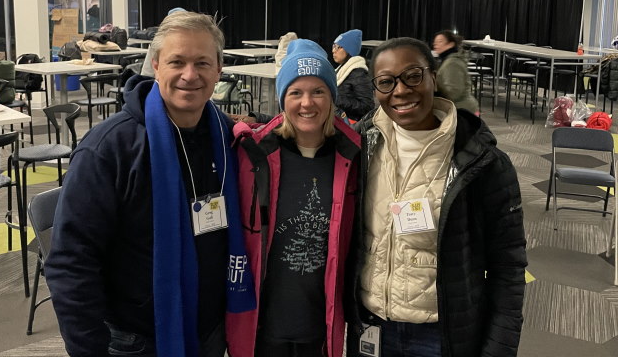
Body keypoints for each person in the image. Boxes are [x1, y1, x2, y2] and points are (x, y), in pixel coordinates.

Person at [44, 11, 256, 357]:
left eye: (202, 62)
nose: (190, 75)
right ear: (155, 65)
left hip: (211, 331)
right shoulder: (110, 148)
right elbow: (71, 260)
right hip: (135, 340)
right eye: (177, 61)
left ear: (219, 70)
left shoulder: (224, 135)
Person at [346, 37, 527, 357]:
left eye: (413, 76)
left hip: (439, 337)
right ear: (375, 90)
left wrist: (499, 349)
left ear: (433, 76)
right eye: (386, 82)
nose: (400, 90)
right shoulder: (361, 146)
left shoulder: (481, 162)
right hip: (372, 329)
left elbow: (508, 271)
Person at [226, 39, 361, 357]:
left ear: (332, 96)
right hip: (264, 323)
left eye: (318, 91)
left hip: (320, 324)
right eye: (295, 92)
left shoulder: (354, 156)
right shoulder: (252, 153)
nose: (307, 103)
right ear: (282, 98)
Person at [331, 29, 374, 121]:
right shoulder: (341, 70)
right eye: (333, 46)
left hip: (350, 129)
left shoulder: (359, 73)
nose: (333, 51)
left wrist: (336, 98)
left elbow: (367, 106)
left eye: (338, 47)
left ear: (349, 49)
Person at [432, 30, 479, 114]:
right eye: (435, 42)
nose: (435, 44)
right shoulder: (448, 60)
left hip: (462, 111)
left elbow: (454, 92)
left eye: (440, 41)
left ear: (451, 44)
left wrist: (434, 93)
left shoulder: (452, 63)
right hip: (459, 109)